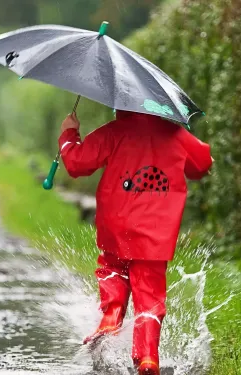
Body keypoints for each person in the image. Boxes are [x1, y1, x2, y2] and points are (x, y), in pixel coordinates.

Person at [58, 109, 213, 375]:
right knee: (150, 295)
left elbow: (77, 163)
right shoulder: (175, 135)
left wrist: (68, 134)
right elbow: (201, 164)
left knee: (113, 268)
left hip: (117, 224)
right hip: (156, 234)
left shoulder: (114, 132)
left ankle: (111, 315)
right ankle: (148, 358)